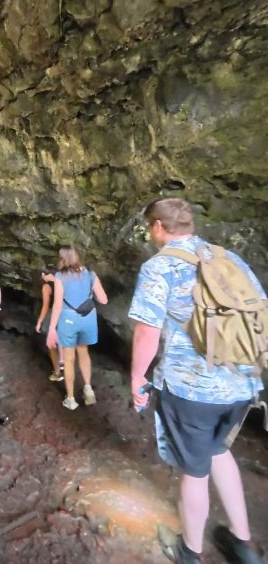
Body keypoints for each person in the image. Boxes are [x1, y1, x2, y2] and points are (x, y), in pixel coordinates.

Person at [129, 197, 265, 564]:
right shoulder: (226, 258)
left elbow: (146, 333)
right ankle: (243, 544)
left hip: (192, 391)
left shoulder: (161, 267)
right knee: (220, 451)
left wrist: (137, 379)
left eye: (149, 228)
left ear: (158, 227)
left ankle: (188, 550)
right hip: (242, 383)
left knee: (194, 470)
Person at [47, 246, 108, 409]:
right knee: (83, 352)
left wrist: (52, 328)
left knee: (68, 359)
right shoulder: (91, 274)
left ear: (62, 260)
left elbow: (58, 304)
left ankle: (71, 399)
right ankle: (88, 389)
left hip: (68, 320)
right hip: (88, 318)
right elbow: (103, 300)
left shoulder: (60, 277)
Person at [36, 264, 64, 382]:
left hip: (55, 313)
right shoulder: (61, 280)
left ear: (43, 275)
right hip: (68, 312)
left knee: (51, 343)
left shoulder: (46, 286)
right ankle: (63, 362)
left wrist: (40, 322)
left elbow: (45, 306)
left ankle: (57, 371)